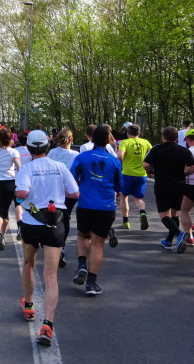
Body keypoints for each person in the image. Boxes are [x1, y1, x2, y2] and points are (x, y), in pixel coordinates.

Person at [14, 130, 79, 346]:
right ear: (47, 145)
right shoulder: (59, 167)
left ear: (29, 147)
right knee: (51, 275)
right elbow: (75, 193)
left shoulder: (26, 168)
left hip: (31, 223)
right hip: (55, 223)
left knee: (28, 264)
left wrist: (17, 193)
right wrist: (58, 193)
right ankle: (47, 325)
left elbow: (22, 193)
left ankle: (29, 305)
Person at [70, 126, 123, 296]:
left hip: (85, 204)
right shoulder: (114, 161)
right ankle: (91, 284)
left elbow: (72, 178)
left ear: (91, 139)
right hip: (105, 206)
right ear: (108, 141)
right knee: (98, 244)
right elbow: (119, 186)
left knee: (82, 236)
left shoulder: (82, 157)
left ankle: (82, 265)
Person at [143, 127, 194, 250]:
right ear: (177, 138)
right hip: (179, 185)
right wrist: (185, 174)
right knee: (174, 213)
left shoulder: (157, 149)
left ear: (163, 137)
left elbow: (145, 164)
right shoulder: (183, 150)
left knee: (163, 215)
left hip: (162, 185)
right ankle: (168, 241)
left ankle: (179, 234)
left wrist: (151, 172)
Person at [47, 128, 80, 268]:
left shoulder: (52, 153)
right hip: (68, 191)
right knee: (65, 218)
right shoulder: (76, 154)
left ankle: (50, 244)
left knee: (51, 216)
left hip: (52, 190)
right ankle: (62, 247)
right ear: (72, 140)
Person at [117, 124, 152, 230]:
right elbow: (152, 155)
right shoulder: (146, 142)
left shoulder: (125, 142)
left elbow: (119, 155)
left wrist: (123, 161)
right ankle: (142, 212)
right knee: (138, 199)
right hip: (141, 174)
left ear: (127, 133)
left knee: (123, 196)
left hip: (127, 173)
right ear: (139, 133)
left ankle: (126, 222)